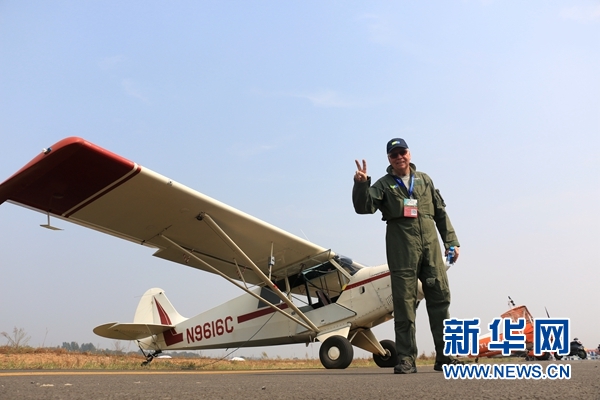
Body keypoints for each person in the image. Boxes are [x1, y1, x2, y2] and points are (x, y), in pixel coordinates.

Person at [352, 138, 461, 374]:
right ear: (389, 159)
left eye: (402, 152)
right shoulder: (383, 185)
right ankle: (407, 359)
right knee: (404, 303)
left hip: (430, 246)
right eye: (394, 154)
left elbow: (440, 213)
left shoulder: (425, 180)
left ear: (409, 154)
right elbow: (364, 207)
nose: (399, 157)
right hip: (402, 248)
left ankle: (445, 357)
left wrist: (451, 241)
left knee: (440, 299)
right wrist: (360, 184)